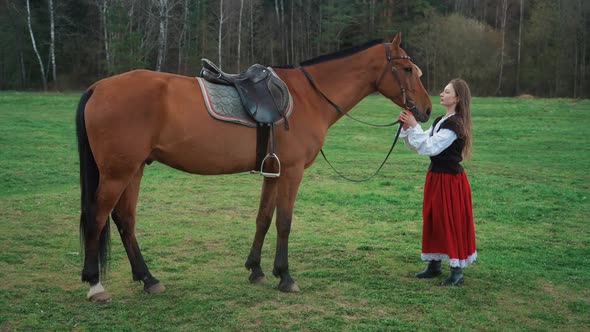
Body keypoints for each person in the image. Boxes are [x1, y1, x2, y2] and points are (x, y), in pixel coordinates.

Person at [398, 78, 477, 286]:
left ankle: (456, 270)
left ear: (457, 98)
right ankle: (434, 265)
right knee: (433, 218)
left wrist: (414, 125)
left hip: (450, 181)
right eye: (443, 91)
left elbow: (431, 147)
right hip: (436, 177)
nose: (442, 94)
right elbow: (421, 143)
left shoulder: (455, 124)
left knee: (450, 221)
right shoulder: (441, 120)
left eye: (447, 92)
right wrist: (408, 128)